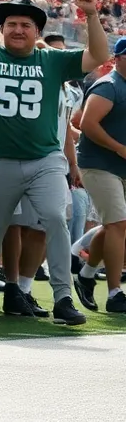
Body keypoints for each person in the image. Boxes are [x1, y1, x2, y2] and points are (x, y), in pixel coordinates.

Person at [0, 0, 107, 325]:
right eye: (11, 24)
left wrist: (91, 14)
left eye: (25, 25)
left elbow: (98, 56)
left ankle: (63, 297)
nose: (18, 30)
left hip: (44, 159)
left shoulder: (53, 61)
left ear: (37, 31)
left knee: (55, 221)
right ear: (1, 30)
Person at [73, 37, 126, 314]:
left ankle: (87, 273)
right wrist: (119, 149)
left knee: (114, 226)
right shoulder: (109, 85)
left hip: (117, 166)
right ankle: (115, 292)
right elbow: (87, 123)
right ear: (117, 58)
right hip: (99, 164)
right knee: (118, 225)